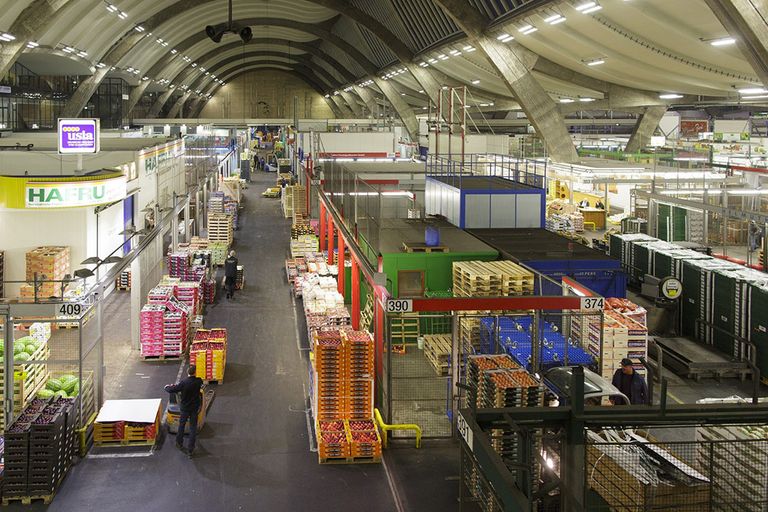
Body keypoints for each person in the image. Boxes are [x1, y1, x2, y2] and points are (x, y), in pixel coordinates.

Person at [164, 365, 204, 457]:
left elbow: (173, 389)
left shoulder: (184, 383)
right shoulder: (199, 381)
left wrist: (166, 387)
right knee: (193, 428)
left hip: (185, 408)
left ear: (187, 372)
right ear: (195, 372)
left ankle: (179, 442)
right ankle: (191, 449)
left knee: (181, 425)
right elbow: (201, 386)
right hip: (194, 408)